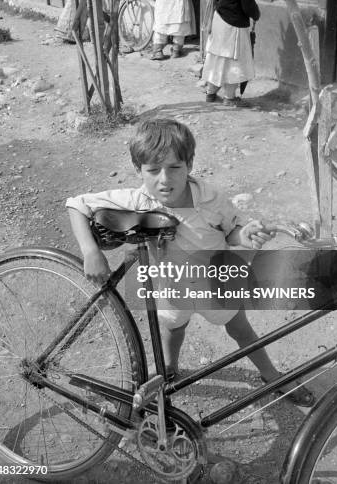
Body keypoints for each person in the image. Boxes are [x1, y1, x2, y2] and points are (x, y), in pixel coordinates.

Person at [66, 118, 314, 406]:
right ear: (138, 170)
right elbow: (77, 204)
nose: (164, 179)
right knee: (174, 329)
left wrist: (245, 236)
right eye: (153, 170)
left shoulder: (211, 199)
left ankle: (273, 376)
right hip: (171, 289)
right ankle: (169, 370)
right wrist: (90, 252)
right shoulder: (137, 200)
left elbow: (232, 232)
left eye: (174, 168)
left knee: (240, 329)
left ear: (190, 164)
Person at [201, 0, 260, 107]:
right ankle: (229, 98)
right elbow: (247, 5)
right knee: (234, 61)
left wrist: (220, 1)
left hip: (218, 19)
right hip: (235, 24)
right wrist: (256, 14)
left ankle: (210, 94)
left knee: (217, 58)